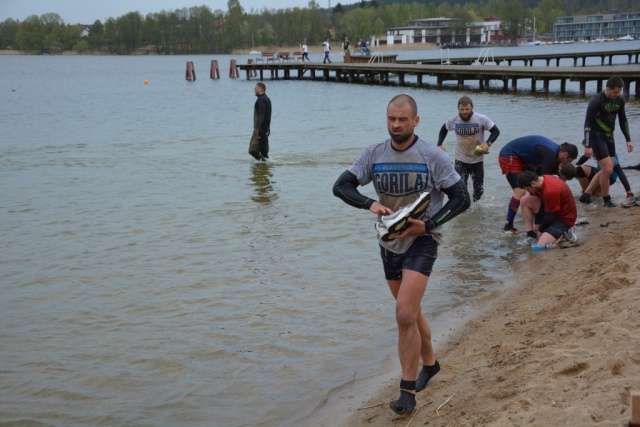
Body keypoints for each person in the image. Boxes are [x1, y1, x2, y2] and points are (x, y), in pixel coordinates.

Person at [332, 94, 470, 415]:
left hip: (423, 240)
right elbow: (341, 186)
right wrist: (369, 203)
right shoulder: (374, 154)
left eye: (403, 119)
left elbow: (461, 198)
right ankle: (430, 364)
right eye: (392, 119)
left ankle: (407, 391)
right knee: (411, 312)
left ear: (415, 121)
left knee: (404, 313)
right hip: (389, 242)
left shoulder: (432, 156)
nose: (396, 125)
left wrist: (429, 224)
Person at [498, 135, 578, 235]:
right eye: (569, 161)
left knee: (534, 186)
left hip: (525, 159)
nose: (566, 163)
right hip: (510, 155)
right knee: (521, 191)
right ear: (565, 155)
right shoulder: (550, 155)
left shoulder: (554, 153)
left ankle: (534, 216)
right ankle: (508, 225)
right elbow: (545, 181)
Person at [436, 96, 500, 202]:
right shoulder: (453, 120)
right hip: (460, 159)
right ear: (458, 108)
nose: (464, 112)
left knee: (478, 191)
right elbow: (444, 129)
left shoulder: (481, 119)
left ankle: (476, 208)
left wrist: (487, 143)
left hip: (477, 159)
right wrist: (439, 144)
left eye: (467, 109)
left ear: (472, 108)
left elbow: (496, 131)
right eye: (462, 109)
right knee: (461, 189)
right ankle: (465, 208)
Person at [583, 76, 634, 207]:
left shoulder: (619, 100)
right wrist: (588, 145)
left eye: (619, 92)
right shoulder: (596, 101)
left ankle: (586, 195)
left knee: (607, 170)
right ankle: (606, 200)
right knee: (607, 169)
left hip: (609, 137)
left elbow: (623, 120)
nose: (617, 95)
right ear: (608, 88)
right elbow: (587, 124)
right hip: (596, 137)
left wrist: (628, 139)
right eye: (615, 92)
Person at [517, 170, 577, 246]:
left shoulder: (550, 191)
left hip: (564, 218)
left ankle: (564, 232)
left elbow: (550, 216)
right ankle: (530, 234)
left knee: (540, 246)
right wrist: (536, 227)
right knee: (524, 200)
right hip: (551, 211)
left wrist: (540, 230)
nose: (528, 191)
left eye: (528, 189)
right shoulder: (539, 182)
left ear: (533, 183)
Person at [248, 82, 272, 161]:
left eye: (255, 88)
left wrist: (257, 130)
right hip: (266, 129)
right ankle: (266, 166)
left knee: (252, 151)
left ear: (259, 89)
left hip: (260, 130)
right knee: (264, 153)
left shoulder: (260, 100)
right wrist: (268, 128)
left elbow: (261, 116)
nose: (254, 90)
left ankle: (264, 163)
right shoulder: (267, 99)